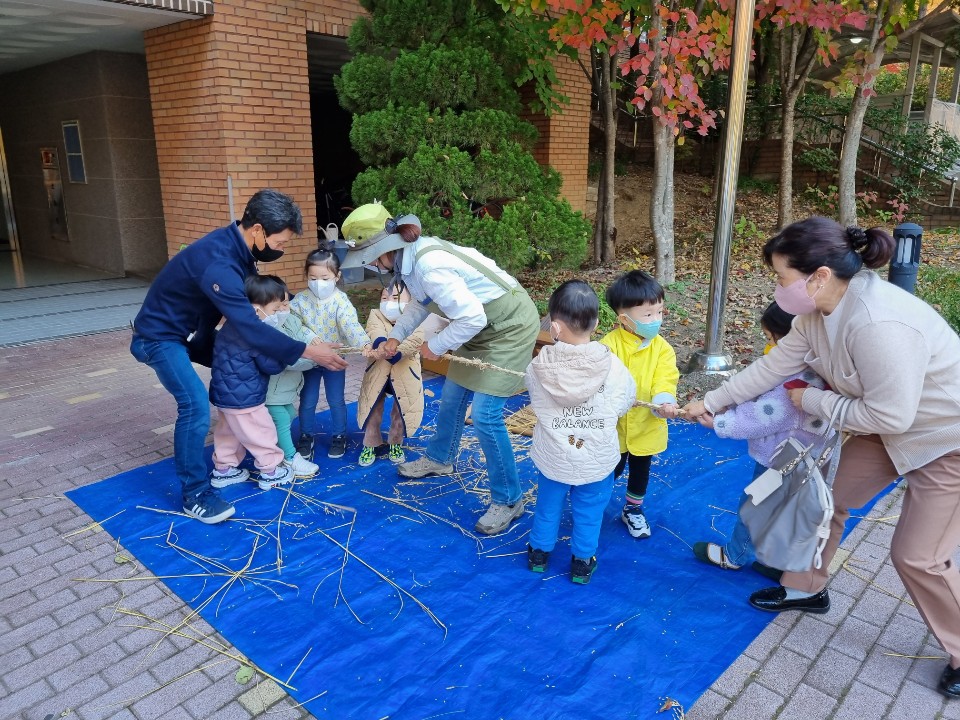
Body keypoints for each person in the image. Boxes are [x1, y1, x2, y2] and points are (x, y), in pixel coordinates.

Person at [682, 216, 960, 700]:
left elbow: (891, 414)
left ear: (819, 276)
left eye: (780, 277)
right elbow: (771, 367)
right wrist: (710, 402)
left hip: (944, 438)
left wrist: (811, 400)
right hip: (883, 425)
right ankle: (806, 587)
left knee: (918, 556)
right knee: (821, 499)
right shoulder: (817, 314)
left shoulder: (878, 323)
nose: (776, 288)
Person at [130, 189, 347, 524]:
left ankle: (226, 465)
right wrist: (305, 350)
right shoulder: (219, 262)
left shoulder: (239, 251)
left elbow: (262, 307)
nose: (281, 248)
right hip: (159, 339)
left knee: (237, 380)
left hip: (193, 335)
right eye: (280, 242)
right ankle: (195, 495)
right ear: (258, 230)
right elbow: (249, 325)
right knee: (195, 405)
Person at [341, 208, 540, 536]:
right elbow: (421, 304)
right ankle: (440, 458)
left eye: (371, 257)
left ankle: (509, 499)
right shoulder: (409, 262)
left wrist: (435, 346)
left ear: (387, 249)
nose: (371, 264)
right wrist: (395, 336)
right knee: (452, 396)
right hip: (476, 324)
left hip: (508, 326)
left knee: (486, 415)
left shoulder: (429, 265)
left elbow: (472, 318)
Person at [692, 301, 828, 576]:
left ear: (792, 338)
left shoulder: (795, 380)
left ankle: (734, 555)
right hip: (809, 457)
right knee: (789, 511)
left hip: (782, 459)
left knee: (753, 505)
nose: (768, 347)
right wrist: (727, 404)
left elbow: (762, 416)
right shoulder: (820, 367)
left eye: (770, 339)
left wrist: (719, 423)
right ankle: (781, 565)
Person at [525, 281, 636, 584]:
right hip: (595, 459)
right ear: (596, 324)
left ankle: (538, 554)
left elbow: (536, 400)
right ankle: (582, 563)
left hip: (554, 458)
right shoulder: (613, 366)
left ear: (554, 327)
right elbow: (624, 401)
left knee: (548, 507)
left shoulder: (538, 367)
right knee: (590, 512)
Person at [599, 270, 680, 540]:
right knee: (611, 468)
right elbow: (599, 381)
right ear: (624, 319)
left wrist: (663, 400)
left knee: (640, 469)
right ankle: (593, 503)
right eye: (647, 314)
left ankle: (633, 509)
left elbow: (666, 379)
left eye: (659, 312)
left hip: (646, 424)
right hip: (614, 428)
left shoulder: (662, 348)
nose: (656, 319)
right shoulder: (607, 347)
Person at [208, 275, 300, 491]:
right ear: (256, 309)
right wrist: (285, 354)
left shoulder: (230, 326)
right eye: (275, 309)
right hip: (246, 397)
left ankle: (224, 470)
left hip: (224, 394)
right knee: (260, 431)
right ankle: (270, 471)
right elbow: (271, 366)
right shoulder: (254, 334)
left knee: (228, 432)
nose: (279, 313)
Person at [290, 247, 371, 461]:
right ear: (306, 276)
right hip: (309, 359)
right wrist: (309, 337)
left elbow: (350, 325)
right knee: (307, 399)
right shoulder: (300, 300)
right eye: (313, 278)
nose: (319, 283)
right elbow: (293, 322)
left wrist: (364, 343)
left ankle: (339, 435)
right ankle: (306, 435)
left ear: (337, 276)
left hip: (335, 360)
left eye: (325, 278)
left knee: (336, 400)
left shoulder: (340, 301)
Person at [357, 280, 425, 467]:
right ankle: (370, 442)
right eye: (384, 298)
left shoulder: (417, 317)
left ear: (410, 302)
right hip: (378, 371)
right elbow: (374, 330)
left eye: (396, 298)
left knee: (401, 409)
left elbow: (415, 339)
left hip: (405, 373)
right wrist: (381, 345)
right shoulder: (376, 314)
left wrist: (396, 351)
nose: (389, 303)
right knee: (373, 407)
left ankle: (396, 442)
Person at [263, 283, 321, 479]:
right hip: (271, 390)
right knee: (281, 418)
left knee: (288, 414)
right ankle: (289, 457)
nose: (282, 310)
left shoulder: (291, 320)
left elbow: (302, 332)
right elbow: (289, 360)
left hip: (285, 388)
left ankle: (276, 450)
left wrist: (315, 341)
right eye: (277, 306)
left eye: (286, 304)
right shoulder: (268, 328)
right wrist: (316, 359)